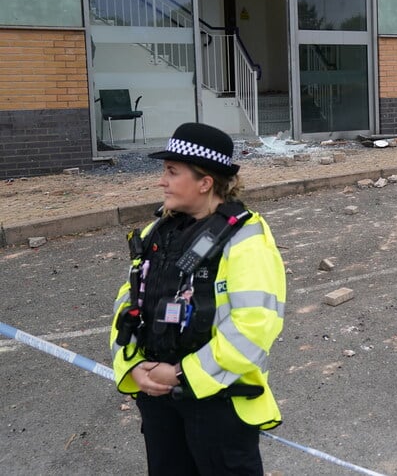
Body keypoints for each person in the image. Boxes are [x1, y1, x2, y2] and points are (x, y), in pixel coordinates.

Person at [110, 122, 286, 475]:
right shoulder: (155, 232)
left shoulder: (245, 239)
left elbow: (254, 328)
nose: (162, 181)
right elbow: (128, 303)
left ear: (205, 182)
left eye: (172, 172)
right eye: (164, 171)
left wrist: (179, 374)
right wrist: (131, 366)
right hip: (158, 400)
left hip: (218, 405)